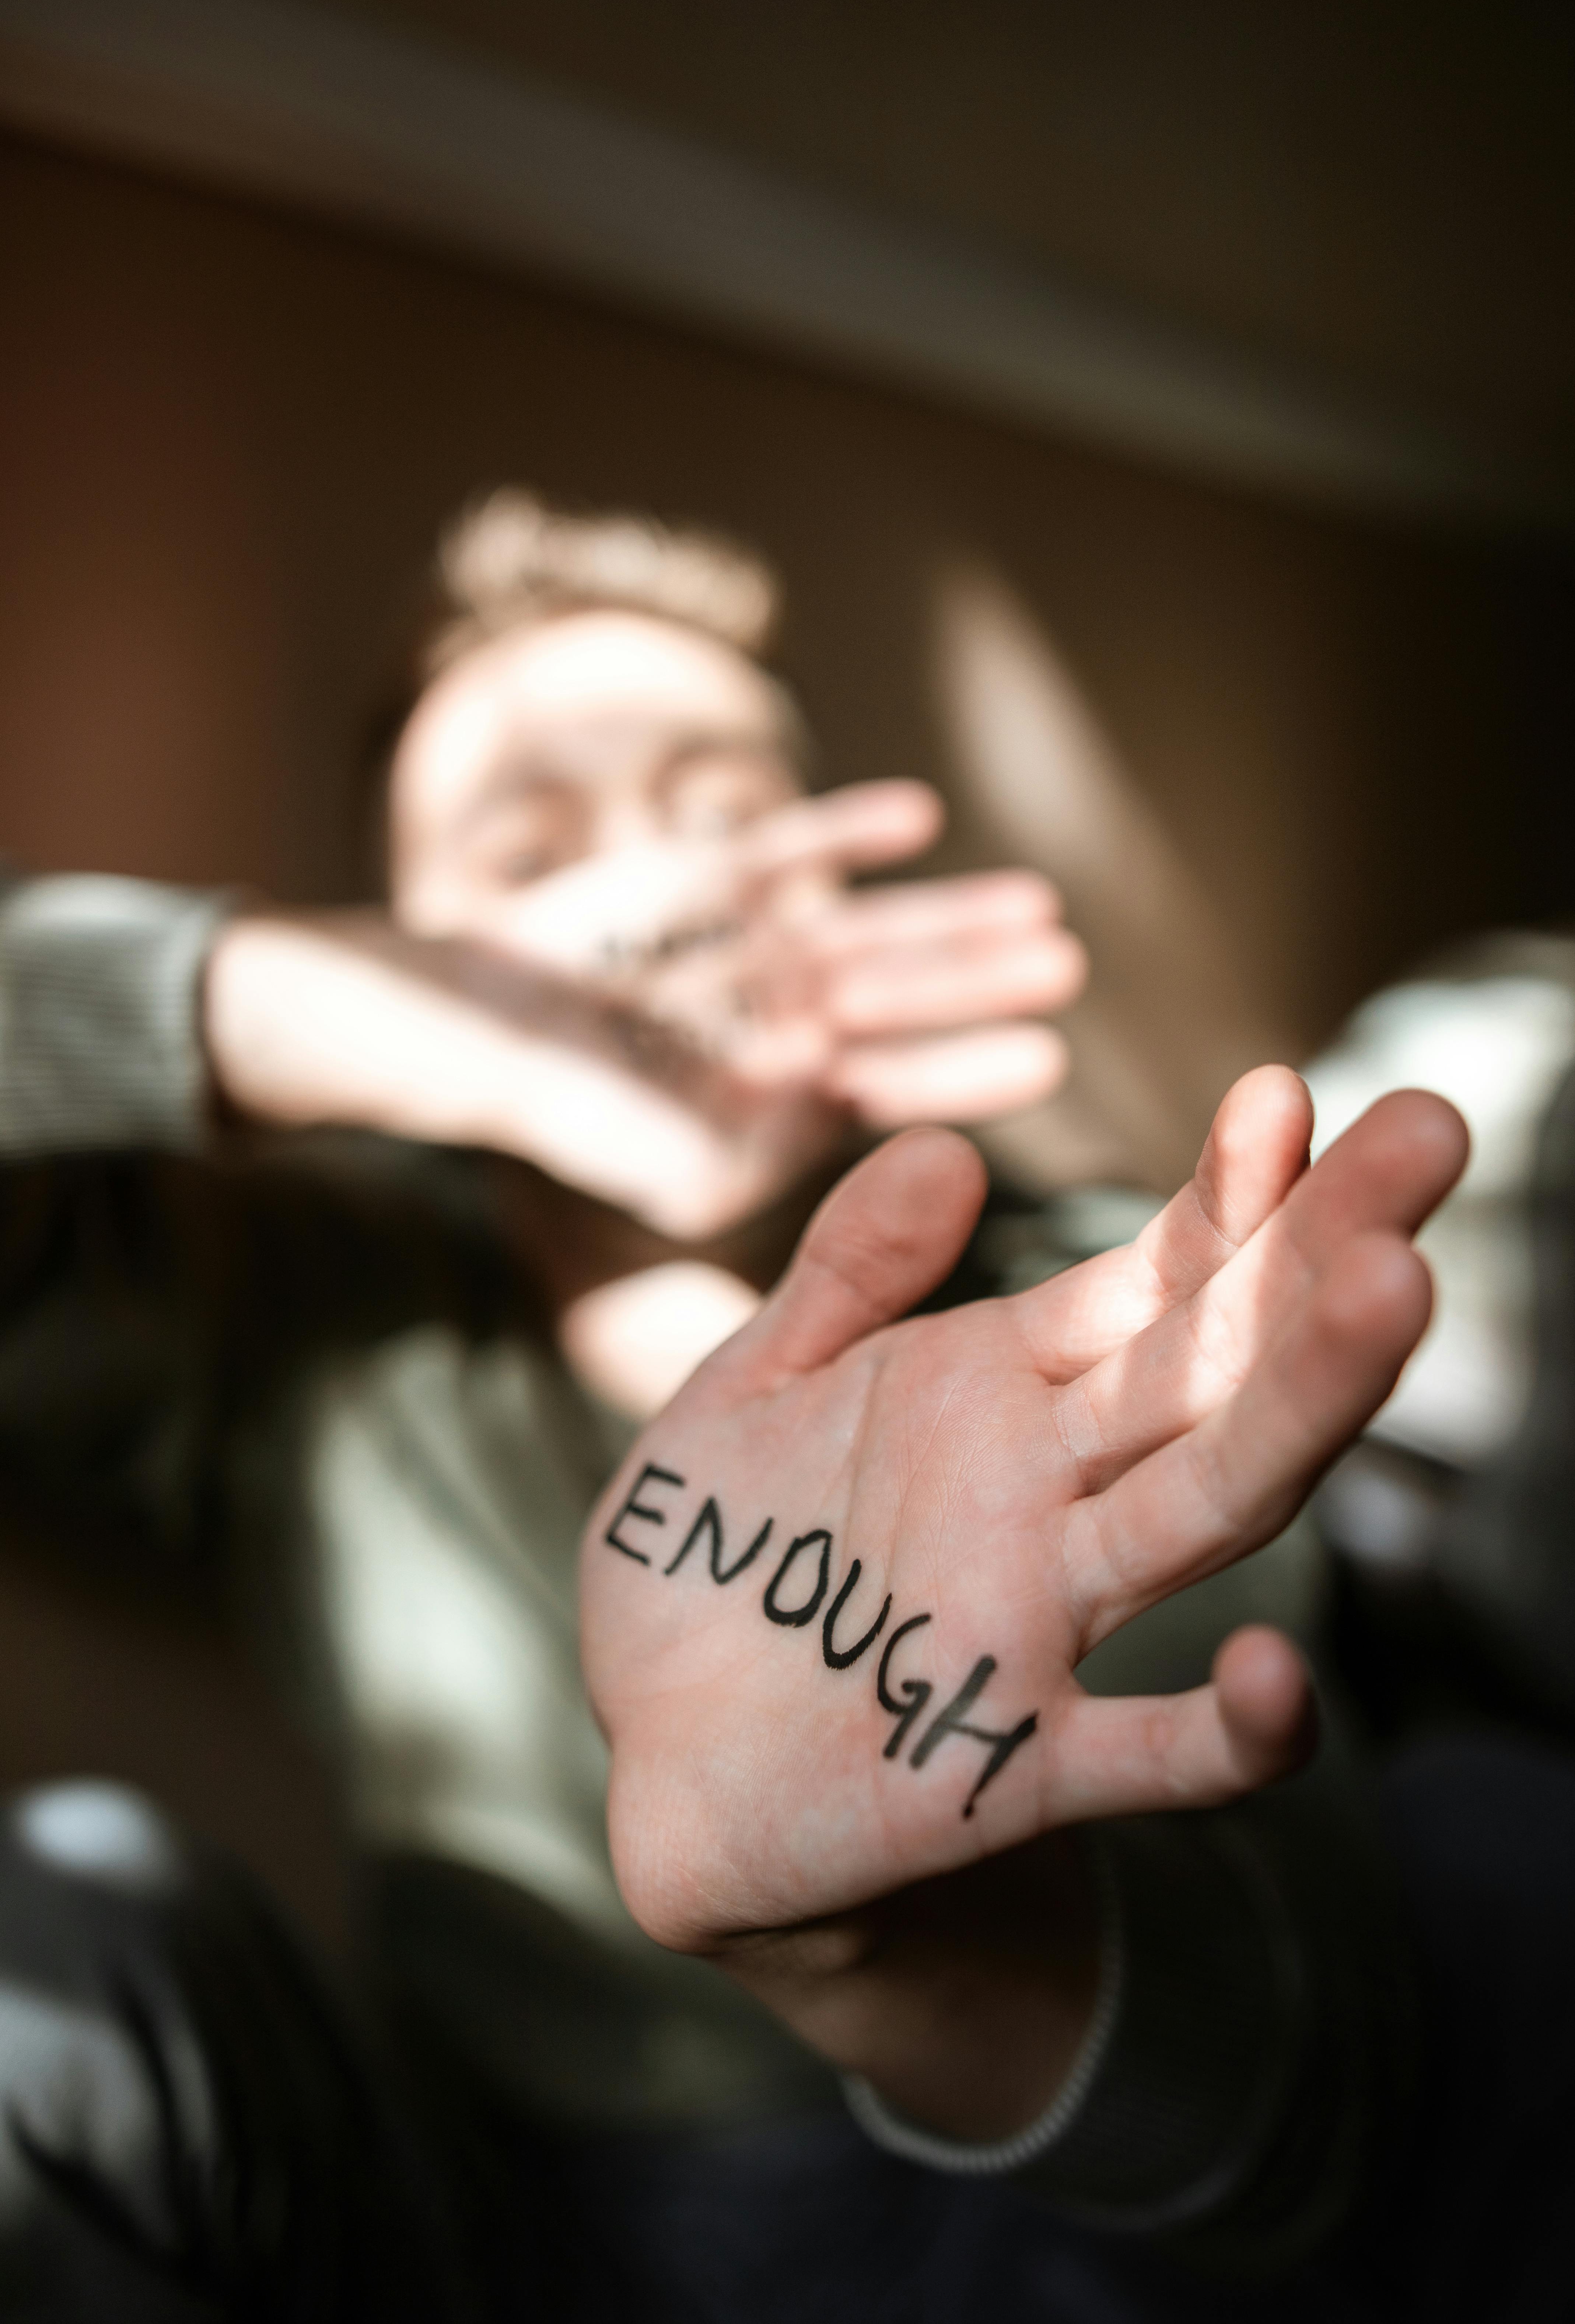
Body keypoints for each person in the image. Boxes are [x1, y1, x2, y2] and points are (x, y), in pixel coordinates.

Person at [0, 491, 1568, 2321]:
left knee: (1488, 1856)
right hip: (492, 2224)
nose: (653, 903)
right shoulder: (298, 1326)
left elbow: (1295, 2107)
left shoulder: (1099, 1313)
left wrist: (879, 1949)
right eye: (531, 855)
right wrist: (384, 1017)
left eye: (727, 817)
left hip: (1042, 2213)